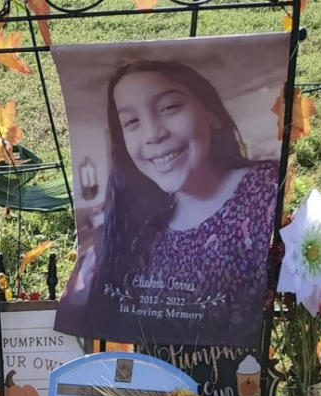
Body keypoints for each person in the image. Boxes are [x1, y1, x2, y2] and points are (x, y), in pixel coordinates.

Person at [57, 60, 279, 347]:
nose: (153, 134)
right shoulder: (141, 232)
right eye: (132, 122)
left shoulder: (265, 190)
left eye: (169, 108)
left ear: (211, 114)